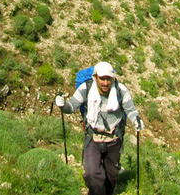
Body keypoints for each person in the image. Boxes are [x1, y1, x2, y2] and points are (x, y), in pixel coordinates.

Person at [56, 62, 144, 195]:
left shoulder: (121, 90)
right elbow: (71, 107)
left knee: (111, 178)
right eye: (102, 78)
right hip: (93, 137)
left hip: (114, 139)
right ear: (95, 77)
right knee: (93, 175)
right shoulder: (86, 88)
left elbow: (130, 110)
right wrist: (62, 106)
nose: (105, 83)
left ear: (112, 78)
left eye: (108, 79)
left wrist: (136, 120)